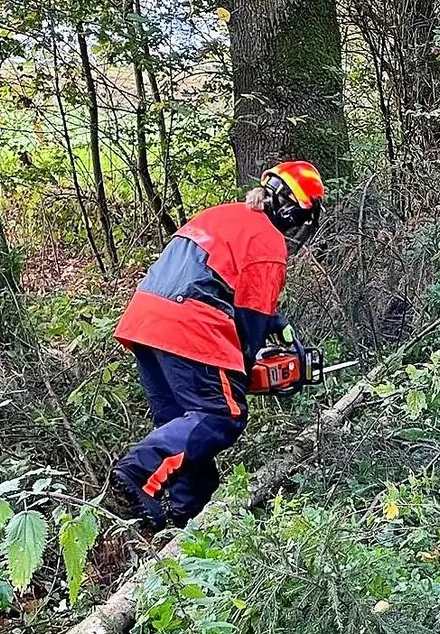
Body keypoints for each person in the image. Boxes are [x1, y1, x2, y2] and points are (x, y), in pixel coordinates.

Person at [106, 160, 326, 530]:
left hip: (145, 319)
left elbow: (209, 276)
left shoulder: (220, 215)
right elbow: (250, 324)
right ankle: (137, 472)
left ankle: (185, 515)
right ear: (292, 210)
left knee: (183, 423)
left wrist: (278, 324)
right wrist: (244, 373)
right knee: (221, 416)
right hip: (190, 326)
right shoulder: (268, 241)